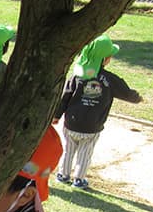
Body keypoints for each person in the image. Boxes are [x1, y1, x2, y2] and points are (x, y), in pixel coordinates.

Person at [54, 33, 142, 189]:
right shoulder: (110, 79)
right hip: (92, 126)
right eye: (109, 56)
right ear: (104, 60)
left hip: (71, 122)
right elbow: (126, 93)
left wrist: (56, 115)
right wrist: (137, 98)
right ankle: (79, 179)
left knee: (68, 149)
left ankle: (63, 175)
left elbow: (65, 97)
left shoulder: (76, 76)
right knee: (85, 153)